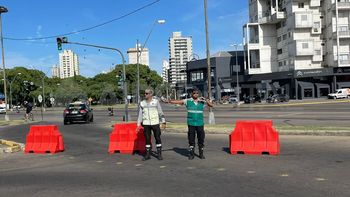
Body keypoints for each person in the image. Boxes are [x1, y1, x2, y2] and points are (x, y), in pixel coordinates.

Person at [167, 88, 213, 160]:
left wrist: (205, 100)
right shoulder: (187, 101)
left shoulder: (202, 102)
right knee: (191, 139)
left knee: (201, 139)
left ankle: (201, 153)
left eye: (197, 93)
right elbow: (178, 101)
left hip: (200, 123)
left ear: (198, 94)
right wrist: (170, 101)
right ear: (192, 94)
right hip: (191, 123)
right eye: (194, 93)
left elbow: (211, 105)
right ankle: (191, 154)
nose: (196, 94)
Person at [137, 88, 166, 161]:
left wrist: (163, 122)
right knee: (147, 139)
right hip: (146, 124)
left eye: (147, 93)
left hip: (155, 123)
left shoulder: (156, 102)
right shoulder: (142, 103)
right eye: (145, 93)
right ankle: (147, 154)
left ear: (151, 94)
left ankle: (159, 154)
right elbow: (140, 115)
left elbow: (160, 112)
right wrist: (138, 125)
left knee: (157, 138)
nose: (145, 95)